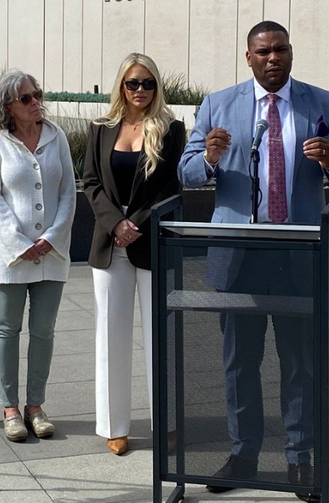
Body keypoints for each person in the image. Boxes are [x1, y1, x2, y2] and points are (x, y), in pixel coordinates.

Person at [178, 20, 329, 498]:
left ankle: (299, 460)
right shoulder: (219, 104)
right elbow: (187, 172)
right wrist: (211, 159)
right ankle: (243, 455)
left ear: (291, 53)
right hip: (240, 253)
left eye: (281, 49)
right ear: (249, 57)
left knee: (300, 360)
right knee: (240, 361)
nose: (273, 58)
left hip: (299, 251)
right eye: (263, 52)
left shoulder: (324, 103)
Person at [83, 53, 186, 456]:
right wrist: (115, 224)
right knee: (110, 337)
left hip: (153, 241)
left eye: (148, 83)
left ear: (157, 87)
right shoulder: (101, 128)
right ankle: (113, 425)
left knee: (162, 338)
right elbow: (91, 183)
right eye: (132, 83)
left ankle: (170, 423)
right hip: (109, 246)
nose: (140, 90)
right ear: (120, 86)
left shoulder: (173, 129)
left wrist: (136, 223)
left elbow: (173, 189)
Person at [0, 71, 76, 442]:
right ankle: (10, 409)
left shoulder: (57, 136)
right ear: (8, 107)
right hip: (9, 256)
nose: (36, 102)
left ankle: (35, 407)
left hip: (53, 254)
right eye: (26, 98)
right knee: (8, 329)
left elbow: (69, 191)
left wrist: (51, 238)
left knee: (43, 331)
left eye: (37, 94)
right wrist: (20, 244)